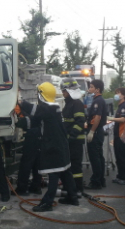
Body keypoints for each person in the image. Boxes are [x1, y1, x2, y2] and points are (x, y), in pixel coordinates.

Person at [18, 82, 79, 212]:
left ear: (42, 95)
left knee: (54, 173)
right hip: (62, 145)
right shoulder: (54, 107)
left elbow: (35, 110)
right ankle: (72, 197)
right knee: (65, 172)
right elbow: (35, 121)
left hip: (53, 146)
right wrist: (18, 122)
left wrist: (20, 102)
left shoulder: (47, 108)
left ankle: (47, 203)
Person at [60, 78, 86, 194]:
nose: (62, 93)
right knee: (69, 166)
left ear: (69, 91)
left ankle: (77, 189)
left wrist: (71, 136)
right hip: (70, 140)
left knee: (75, 166)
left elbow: (80, 122)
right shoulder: (69, 103)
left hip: (75, 141)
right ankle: (70, 187)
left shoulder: (76, 104)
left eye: (64, 91)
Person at [14, 103, 43, 196]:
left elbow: (19, 122)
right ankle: (36, 187)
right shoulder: (39, 112)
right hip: (39, 138)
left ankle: (22, 188)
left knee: (26, 163)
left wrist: (17, 121)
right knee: (37, 164)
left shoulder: (27, 117)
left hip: (32, 138)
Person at [84, 79, 108, 190]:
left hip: (96, 131)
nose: (90, 89)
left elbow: (97, 117)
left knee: (95, 158)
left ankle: (96, 182)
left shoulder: (98, 101)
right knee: (99, 156)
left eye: (91, 87)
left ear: (97, 89)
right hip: (98, 131)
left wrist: (92, 131)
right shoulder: (98, 100)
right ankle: (101, 180)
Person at [109, 87, 125, 185]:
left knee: (122, 157)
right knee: (118, 156)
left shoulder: (124, 106)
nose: (116, 95)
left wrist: (111, 119)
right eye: (116, 93)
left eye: (118, 93)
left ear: (124, 95)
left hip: (122, 135)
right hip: (117, 134)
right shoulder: (120, 105)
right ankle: (120, 176)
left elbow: (123, 119)